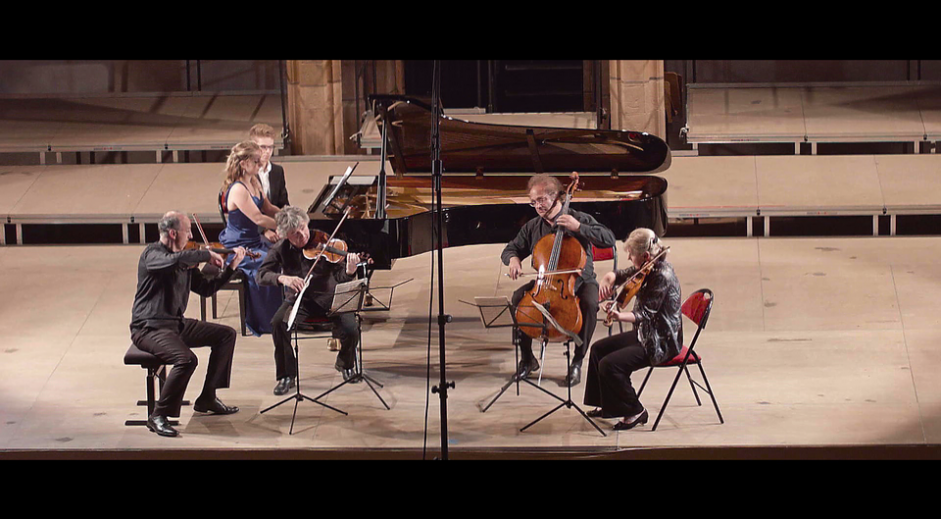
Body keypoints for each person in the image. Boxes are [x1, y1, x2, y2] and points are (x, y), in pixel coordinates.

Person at [130, 211, 248, 437]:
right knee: (186, 359)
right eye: (188, 231)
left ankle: (208, 397)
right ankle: (158, 415)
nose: (191, 235)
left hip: (176, 324)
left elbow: (206, 289)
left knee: (226, 335)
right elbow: (172, 262)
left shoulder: (186, 261)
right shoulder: (152, 255)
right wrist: (204, 254)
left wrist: (231, 267)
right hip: (148, 328)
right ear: (173, 233)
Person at [503, 174, 616, 386]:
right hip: (545, 282)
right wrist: (513, 259)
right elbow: (511, 249)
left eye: (541, 200)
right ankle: (527, 359)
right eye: (533, 202)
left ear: (556, 197)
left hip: (580, 282)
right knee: (519, 298)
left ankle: (577, 361)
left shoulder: (578, 218)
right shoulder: (533, 226)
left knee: (590, 304)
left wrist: (579, 227)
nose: (537, 206)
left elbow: (608, 239)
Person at [257, 205, 367, 395]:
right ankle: (286, 375)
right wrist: (283, 278)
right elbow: (261, 275)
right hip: (300, 302)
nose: (302, 235)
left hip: (331, 298)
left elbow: (340, 277)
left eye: (302, 228)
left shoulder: (324, 241)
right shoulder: (281, 249)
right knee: (278, 324)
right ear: (286, 236)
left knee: (351, 329)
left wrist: (349, 271)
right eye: (295, 233)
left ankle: (345, 364)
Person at [584, 228, 683, 430]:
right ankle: (607, 405)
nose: (629, 258)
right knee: (598, 350)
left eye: (631, 254)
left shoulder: (662, 275)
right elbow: (623, 274)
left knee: (610, 365)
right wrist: (608, 278)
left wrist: (618, 315)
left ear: (645, 255)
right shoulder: (647, 266)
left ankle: (635, 411)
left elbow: (645, 313)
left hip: (660, 341)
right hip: (645, 333)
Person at [218, 140, 283, 336]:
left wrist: (288, 215)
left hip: (254, 240)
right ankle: (267, 320)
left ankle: (286, 312)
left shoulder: (254, 181)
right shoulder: (238, 189)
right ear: (243, 163)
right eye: (256, 161)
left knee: (282, 255)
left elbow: (268, 208)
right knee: (267, 264)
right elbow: (258, 218)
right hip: (239, 245)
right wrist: (285, 226)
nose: (260, 164)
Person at [249, 124, 289, 222]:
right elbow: (248, 212)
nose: (267, 151)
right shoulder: (247, 172)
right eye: (263, 147)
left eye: (271, 147)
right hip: (253, 224)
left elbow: (283, 204)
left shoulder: (277, 171)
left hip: (274, 221)